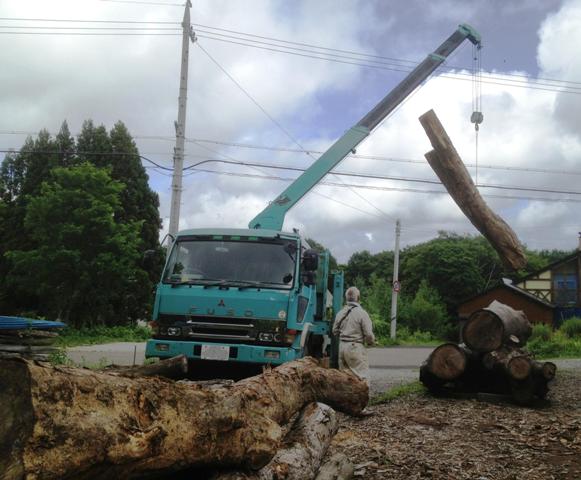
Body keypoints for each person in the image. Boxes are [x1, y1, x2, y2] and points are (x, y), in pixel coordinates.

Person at [332, 286, 375, 387]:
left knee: (344, 379)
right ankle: (363, 401)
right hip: (355, 348)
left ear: (346, 299)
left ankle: (345, 401)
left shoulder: (340, 313)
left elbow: (334, 331)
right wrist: (370, 342)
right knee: (362, 377)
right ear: (358, 298)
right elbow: (368, 334)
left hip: (342, 348)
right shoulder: (362, 313)